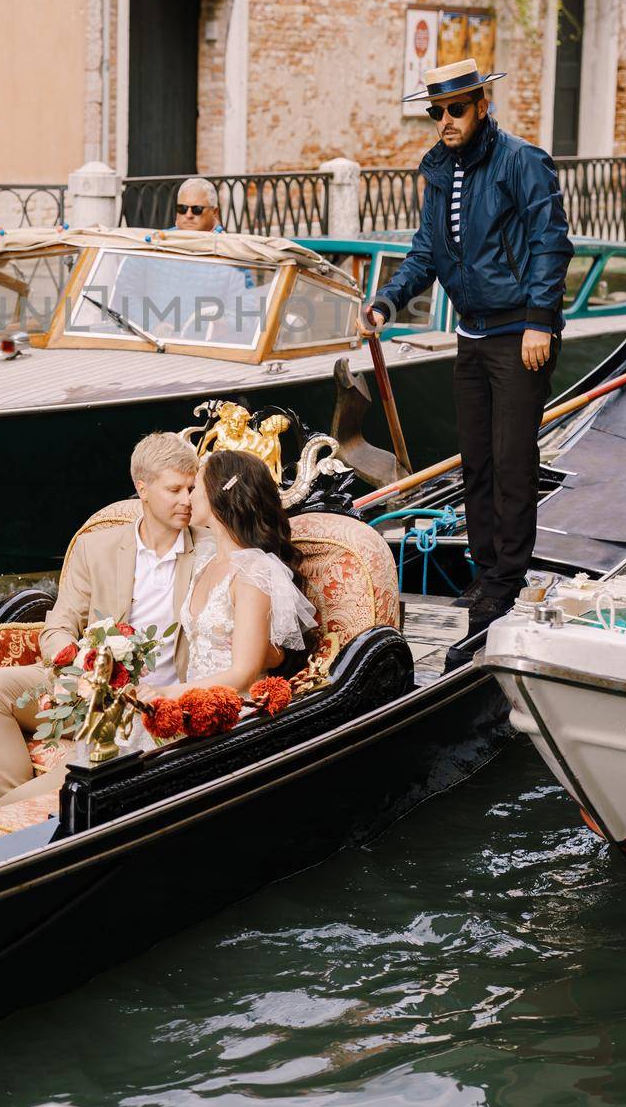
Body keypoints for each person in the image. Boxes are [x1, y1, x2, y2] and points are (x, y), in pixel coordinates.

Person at [363, 57, 572, 661]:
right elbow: (426, 250)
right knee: (477, 463)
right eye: (436, 111)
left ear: (482, 105)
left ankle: (508, 579)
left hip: (518, 335)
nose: (445, 121)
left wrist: (540, 321)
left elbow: (550, 244)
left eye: (456, 108)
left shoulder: (521, 161)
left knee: (512, 460)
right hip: (471, 336)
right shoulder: (437, 169)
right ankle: (488, 570)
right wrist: (387, 300)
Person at [0, 431, 199, 809]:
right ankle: (16, 814)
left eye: (192, 488)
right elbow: (57, 629)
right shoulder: (97, 547)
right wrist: (81, 665)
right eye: (175, 490)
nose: (187, 500)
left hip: (153, 701)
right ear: (143, 488)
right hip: (89, 686)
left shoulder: (207, 550)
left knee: (76, 771)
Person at [144, 448, 316, 699]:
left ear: (217, 493)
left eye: (195, 488)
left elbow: (243, 674)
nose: (187, 499)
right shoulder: (206, 561)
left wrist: (164, 693)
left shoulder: (253, 572)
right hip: (194, 702)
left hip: (234, 711)